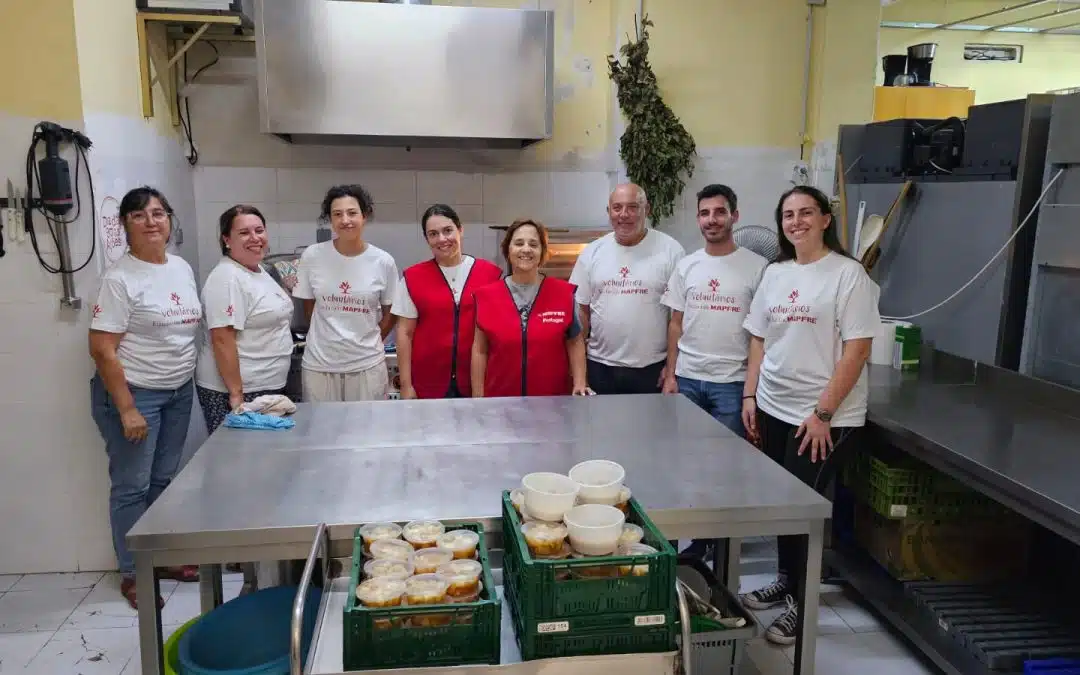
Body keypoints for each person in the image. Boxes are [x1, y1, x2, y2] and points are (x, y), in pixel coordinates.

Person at [739, 185, 880, 646]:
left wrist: (822, 413)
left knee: (806, 510)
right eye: (788, 215)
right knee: (784, 505)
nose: (796, 221)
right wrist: (750, 397)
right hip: (774, 407)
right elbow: (759, 338)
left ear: (824, 219)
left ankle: (802, 603)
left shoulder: (848, 275)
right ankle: (786, 579)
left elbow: (858, 349)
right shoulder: (776, 273)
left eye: (805, 213)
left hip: (820, 418)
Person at [88, 186, 202, 609]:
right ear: (125, 225)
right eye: (139, 215)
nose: (151, 221)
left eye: (158, 213)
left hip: (177, 390)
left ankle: (162, 558)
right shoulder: (119, 279)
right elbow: (101, 348)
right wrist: (127, 407)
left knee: (162, 481)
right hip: (136, 394)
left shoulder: (180, 268)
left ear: (170, 219)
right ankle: (135, 573)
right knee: (132, 487)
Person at [661, 184, 767, 436]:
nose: (712, 219)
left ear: (735, 216)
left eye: (720, 212)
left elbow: (760, 335)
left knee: (727, 459)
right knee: (685, 454)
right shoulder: (687, 265)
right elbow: (676, 323)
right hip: (687, 379)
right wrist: (670, 375)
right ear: (698, 218)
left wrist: (751, 391)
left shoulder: (758, 267)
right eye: (705, 213)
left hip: (732, 384)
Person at [570, 183, 685, 395]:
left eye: (633, 207)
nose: (624, 214)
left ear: (646, 210)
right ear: (608, 211)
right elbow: (581, 314)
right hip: (599, 368)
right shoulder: (592, 253)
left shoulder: (671, 251)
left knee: (648, 428)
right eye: (617, 208)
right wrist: (580, 374)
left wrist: (671, 371)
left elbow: (678, 318)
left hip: (651, 370)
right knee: (601, 427)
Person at [292, 185, 399, 402]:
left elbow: (392, 311)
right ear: (330, 219)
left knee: (367, 431)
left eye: (352, 213)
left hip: (367, 365)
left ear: (364, 215)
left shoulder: (382, 261)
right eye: (337, 214)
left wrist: (372, 337)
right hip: (320, 365)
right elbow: (309, 306)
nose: (345, 220)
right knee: (321, 430)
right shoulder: (313, 256)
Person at [195, 205, 295, 433]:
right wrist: (236, 395)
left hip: (265, 386)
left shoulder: (258, 270)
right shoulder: (227, 277)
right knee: (236, 462)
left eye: (259, 230)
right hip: (236, 392)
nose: (254, 238)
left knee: (262, 461)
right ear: (226, 240)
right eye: (244, 233)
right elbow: (222, 339)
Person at [391, 204, 503, 399]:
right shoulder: (413, 278)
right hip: (428, 384)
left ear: (460, 230)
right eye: (433, 234)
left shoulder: (490, 275)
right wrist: (407, 386)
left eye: (448, 231)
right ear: (427, 239)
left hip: (477, 384)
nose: (442, 239)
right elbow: (404, 333)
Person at [471, 219, 590, 397]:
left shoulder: (563, 293)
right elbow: (480, 350)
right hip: (501, 403)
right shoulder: (486, 297)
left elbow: (574, 341)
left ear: (542, 251)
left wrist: (580, 383)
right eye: (519, 243)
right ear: (508, 250)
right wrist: (478, 397)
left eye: (533, 244)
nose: (526, 249)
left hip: (552, 402)